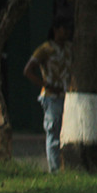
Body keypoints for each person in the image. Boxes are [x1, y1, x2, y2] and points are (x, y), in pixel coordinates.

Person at [23, 16, 73, 173]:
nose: (67, 32)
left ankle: (65, 167)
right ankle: (55, 170)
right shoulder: (45, 49)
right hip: (52, 97)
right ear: (56, 30)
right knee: (54, 132)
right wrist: (46, 85)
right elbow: (28, 70)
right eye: (64, 28)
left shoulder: (70, 48)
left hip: (68, 97)